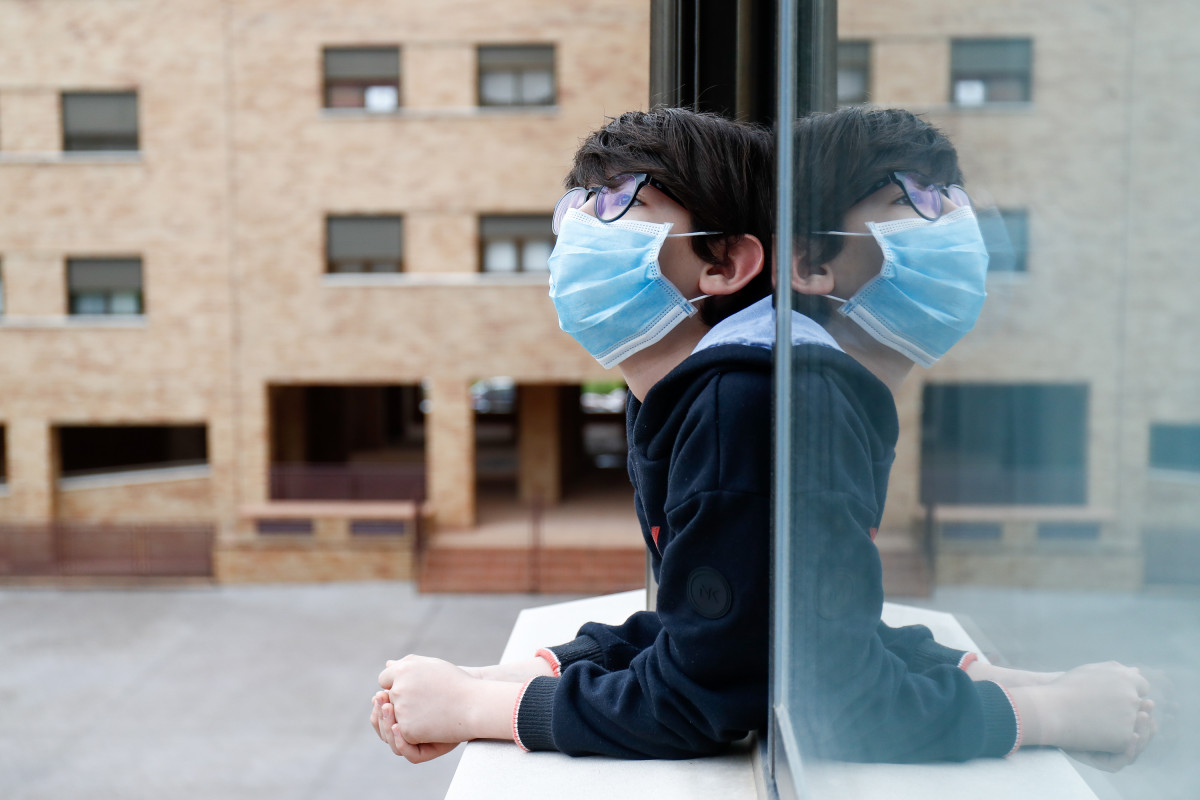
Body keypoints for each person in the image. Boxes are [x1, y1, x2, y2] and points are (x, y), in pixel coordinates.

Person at [369, 106, 1154, 768]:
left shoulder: (753, 404)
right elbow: (736, 633)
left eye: (616, 203)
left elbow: (750, 697)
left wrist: (479, 707)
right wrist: (518, 672)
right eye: (580, 205)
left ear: (734, 262)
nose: (578, 226)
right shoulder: (720, 395)